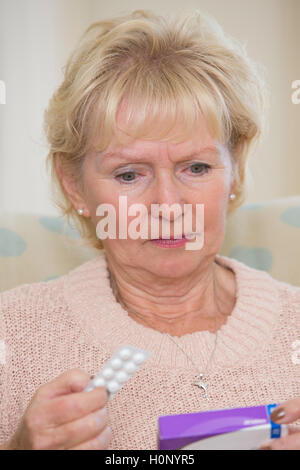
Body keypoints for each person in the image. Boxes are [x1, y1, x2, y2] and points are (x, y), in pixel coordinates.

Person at [0, 9, 299, 450]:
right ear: (73, 183)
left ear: (234, 171)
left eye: (196, 167)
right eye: (129, 175)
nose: (168, 205)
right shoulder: (13, 335)